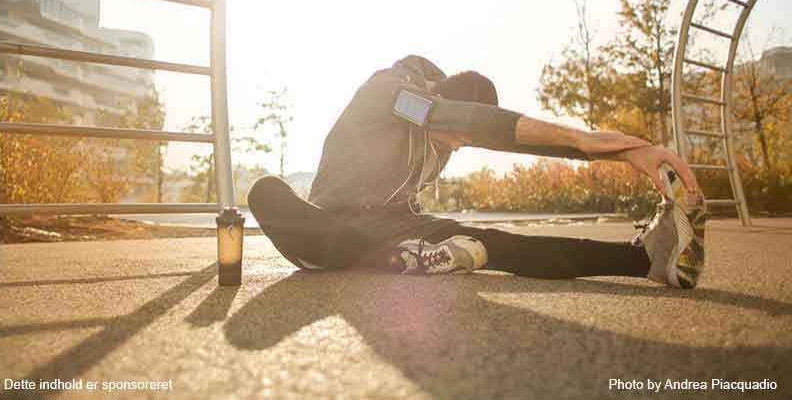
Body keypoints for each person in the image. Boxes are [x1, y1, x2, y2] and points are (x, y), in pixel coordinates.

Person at [248, 55, 707, 289]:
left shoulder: (442, 132)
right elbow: (465, 122)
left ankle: (646, 260)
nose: (461, 147)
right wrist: (582, 137)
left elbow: (503, 134)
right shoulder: (389, 92)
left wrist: (624, 152)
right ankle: (402, 258)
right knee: (266, 192)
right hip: (328, 231)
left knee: (498, 242)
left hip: (401, 230)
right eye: (460, 137)